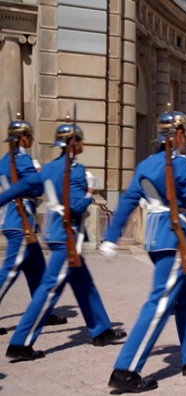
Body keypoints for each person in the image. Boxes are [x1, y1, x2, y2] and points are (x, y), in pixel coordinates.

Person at [99, 110, 186, 392]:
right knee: (159, 304)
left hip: (156, 236)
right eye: (185, 134)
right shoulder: (180, 165)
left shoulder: (147, 164)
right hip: (175, 238)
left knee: (184, 298)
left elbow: (128, 202)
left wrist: (112, 236)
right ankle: (126, 369)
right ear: (179, 135)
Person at [2, 117, 126, 361]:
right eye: (79, 140)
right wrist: (91, 193)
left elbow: (24, 186)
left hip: (54, 230)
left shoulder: (48, 168)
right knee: (49, 289)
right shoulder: (77, 172)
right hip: (66, 235)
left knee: (83, 283)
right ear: (73, 143)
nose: (82, 144)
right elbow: (76, 205)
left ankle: (101, 329)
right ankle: (21, 341)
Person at [0, 114, 66, 336]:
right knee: (8, 272)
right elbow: (35, 189)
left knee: (38, 270)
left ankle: (44, 312)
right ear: (23, 138)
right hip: (20, 220)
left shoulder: (5, 160)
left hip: (14, 218)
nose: (33, 139)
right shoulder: (25, 160)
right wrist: (40, 174)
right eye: (30, 136)